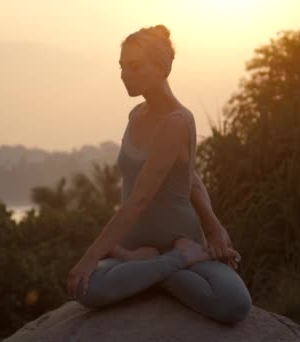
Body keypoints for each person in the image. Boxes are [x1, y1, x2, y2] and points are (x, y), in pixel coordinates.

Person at [67, 24, 252, 324]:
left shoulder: (177, 122)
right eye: (122, 66)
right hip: (133, 247)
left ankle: (172, 260)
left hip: (178, 239)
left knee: (233, 303)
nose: (125, 74)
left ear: (161, 67)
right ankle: (155, 264)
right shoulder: (135, 115)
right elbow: (191, 177)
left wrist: (90, 258)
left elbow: (143, 198)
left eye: (135, 66)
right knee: (88, 290)